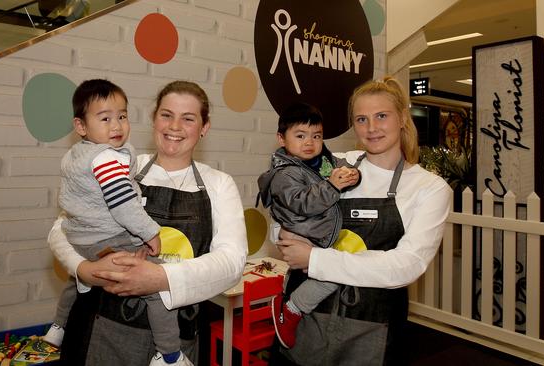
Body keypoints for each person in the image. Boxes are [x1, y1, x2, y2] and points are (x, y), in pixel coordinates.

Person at [47, 80, 248, 365]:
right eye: (166, 115)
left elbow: (232, 263)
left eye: (188, 119)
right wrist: (85, 269)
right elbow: (61, 229)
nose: (175, 126)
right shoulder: (120, 166)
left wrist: (160, 278)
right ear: (154, 119)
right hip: (102, 331)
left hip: (176, 336)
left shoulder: (219, 185)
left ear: (204, 127)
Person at [269, 77, 452, 366]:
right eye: (362, 119)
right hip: (304, 319)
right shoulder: (335, 165)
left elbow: (405, 266)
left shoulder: (429, 188)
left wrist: (315, 258)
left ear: (402, 118)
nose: (371, 128)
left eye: (382, 116)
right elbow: (283, 208)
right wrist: (284, 234)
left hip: (371, 329)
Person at [45, 79, 189, 365]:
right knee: (161, 287)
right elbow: (123, 205)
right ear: (81, 126)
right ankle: (170, 355)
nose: (116, 126)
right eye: (105, 118)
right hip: (106, 239)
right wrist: (150, 232)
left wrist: (83, 268)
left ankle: (57, 327)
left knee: (76, 282)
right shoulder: (108, 159)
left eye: (122, 116)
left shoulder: (77, 154)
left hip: (81, 238)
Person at [256, 102, 360, 349]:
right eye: (300, 136)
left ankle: (293, 304)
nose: (310, 143)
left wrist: (354, 175)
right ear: (282, 139)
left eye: (317, 136)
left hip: (317, 235)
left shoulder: (322, 160)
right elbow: (302, 203)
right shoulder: (284, 173)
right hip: (303, 234)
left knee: (333, 273)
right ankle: (291, 309)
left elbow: (340, 169)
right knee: (334, 275)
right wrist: (332, 186)